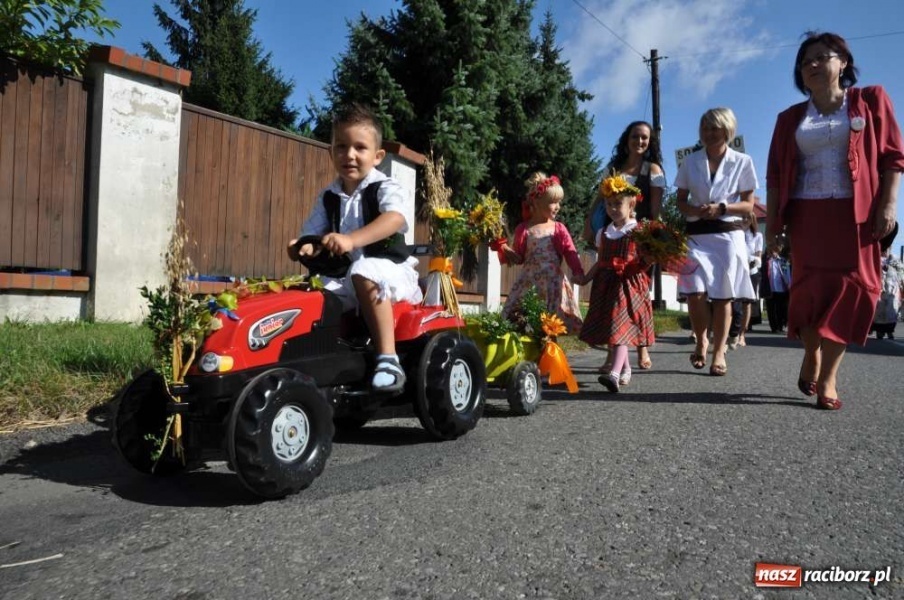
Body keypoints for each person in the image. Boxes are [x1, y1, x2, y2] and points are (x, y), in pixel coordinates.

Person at [765, 31, 904, 410]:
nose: (812, 64)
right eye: (805, 60)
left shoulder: (870, 100)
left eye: (821, 56)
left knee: (857, 289)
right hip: (807, 215)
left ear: (842, 62)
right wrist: (774, 225)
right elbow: (776, 176)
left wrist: (888, 207)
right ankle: (812, 353)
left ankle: (828, 377)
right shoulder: (789, 119)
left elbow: (893, 157)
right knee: (810, 293)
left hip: (855, 213)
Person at [287, 103, 423, 393]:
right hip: (346, 278)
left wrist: (351, 240)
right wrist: (302, 248)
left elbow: (394, 218)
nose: (349, 155)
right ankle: (324, 361)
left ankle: (388, 359)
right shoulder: (328, 195)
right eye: (341, 146)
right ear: (331, 151)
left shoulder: (384, 187)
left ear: (377, 156)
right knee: (313, 294)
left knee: (363, 269)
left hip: (390, 273)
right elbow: (311, 234)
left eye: (360, 148)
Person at [674, 107, 757, 377]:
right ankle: (701, 340)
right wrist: (694, 210)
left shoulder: (743, 161)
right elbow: (680, 201)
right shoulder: (689, 162)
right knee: (695, 293)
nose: (709, 133)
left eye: (714, 128)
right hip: (697, 235)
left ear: (727, 130)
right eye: (705, 128)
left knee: (723, 297)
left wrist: (722, 207)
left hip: (727, 235)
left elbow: (748, 205)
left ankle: (719, 351)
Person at [582, 121, 665, 371]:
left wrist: (654, 240)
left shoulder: (653, 170)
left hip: (637, 237)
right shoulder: (613, 169)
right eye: (635, 137)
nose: (639, 142)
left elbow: (655, 209)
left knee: (637, 295)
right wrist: (589, 222)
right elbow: (599, 200)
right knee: (610, 295)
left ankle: (642, 347)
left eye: (644, 138)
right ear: (626, 139)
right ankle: (612, 355)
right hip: (612, 233)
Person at [579, 175, 655, 393]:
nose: (612, 208)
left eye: (617, 203)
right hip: (606, 285)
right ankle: (626, 368)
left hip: (629, 286)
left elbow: (645, 260)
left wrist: (648, 261)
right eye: (608, 204)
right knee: (614, 328)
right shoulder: (604, 233)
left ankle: (613, 373)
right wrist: (585, 278)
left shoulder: (639, 231)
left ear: (631, 204)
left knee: (619, 327)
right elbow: (601, 262)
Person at [501, 172, 586, 336]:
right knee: (526, 320)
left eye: (559, 202)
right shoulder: (524, 229)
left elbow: (570, 251)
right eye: (553, 202)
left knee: (551, 324)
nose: (558, 206)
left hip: (552, 284)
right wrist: (504, 248)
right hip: (529, 283)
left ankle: (550, 355)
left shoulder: (558, 228)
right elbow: (519, 257)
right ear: (536, 202)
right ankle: (531, 354)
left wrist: (578, 272)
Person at [728, 213, 764, 348]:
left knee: (747, 303)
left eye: (747, 218)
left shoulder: (757, 236)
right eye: (742, 217)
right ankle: (733, 331)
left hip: (751, 271)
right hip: (736, 269)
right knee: (733, 300)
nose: (744, 220)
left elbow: (758, 255)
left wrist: (753, 262)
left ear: (752, 220)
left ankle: (742, 333)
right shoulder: (734, 232)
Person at [872, 232, 903, 340]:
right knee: (879, 310)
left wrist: (891, 268)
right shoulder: (874, 256)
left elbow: (901, 271)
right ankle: (879, 332)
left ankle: (890, 331)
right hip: (879, 287)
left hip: (892, 289)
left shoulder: (894, 258)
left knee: (892, 309)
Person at [761, 239, 791, 333]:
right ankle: (774, 327)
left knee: (781, 309)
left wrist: (789, 284)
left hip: (782, 289)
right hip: (770, 288)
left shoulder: (782, 261)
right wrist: (767, 257)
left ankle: (781, 325)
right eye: (771, 250)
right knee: (771, 309)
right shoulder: (766, 261)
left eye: (775, 250)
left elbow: (787, 273)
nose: (773, 252)